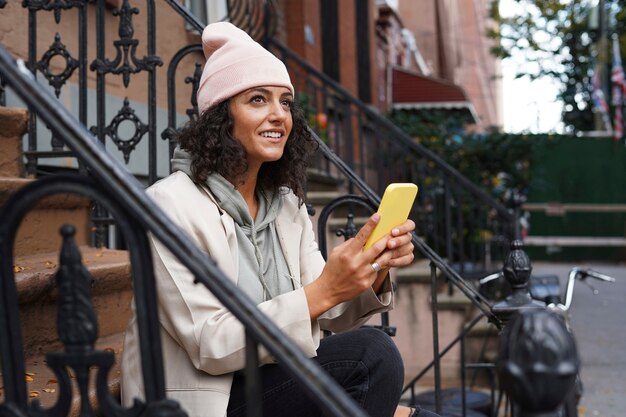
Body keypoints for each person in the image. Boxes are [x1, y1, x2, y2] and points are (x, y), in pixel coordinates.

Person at [121, 22, 437, 417]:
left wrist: (369, 267)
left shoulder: (284, 205)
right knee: (372, 354)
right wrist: (323, 290)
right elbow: (210, 343)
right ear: (221, 116)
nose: (278, 115)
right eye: (257, 99)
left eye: (285, 102)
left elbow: (331, 311)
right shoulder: (169, 205)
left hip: (274, 384)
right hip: (204, 402)